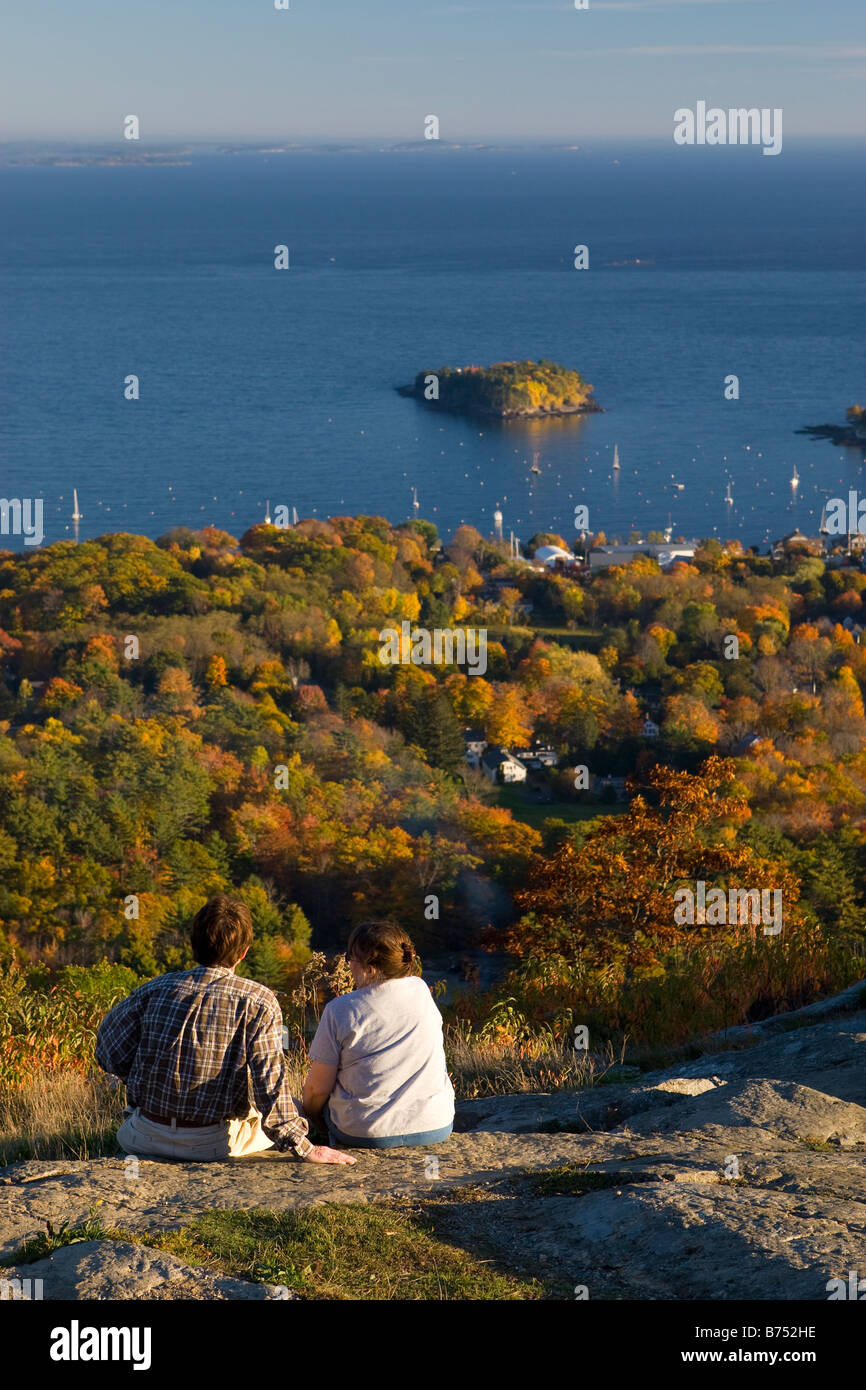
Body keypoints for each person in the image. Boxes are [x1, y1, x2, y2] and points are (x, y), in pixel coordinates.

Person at [95, 895, 355, 1166]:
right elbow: (270, 1088)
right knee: (297, 1107)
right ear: (243, 952)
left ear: (194, 943)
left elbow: (107, 1051)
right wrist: (304, 1147)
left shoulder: (155, 988)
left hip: (143, 1133)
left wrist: (144, 1075)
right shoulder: (258, 1001)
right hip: (211, 1143)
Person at [302, 921, 454, 1148]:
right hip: (436, 1125)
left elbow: (316, 1090)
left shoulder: (340, 1009)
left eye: (351, 958)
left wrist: (314, 1120)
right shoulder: (421, 990)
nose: (349, 964)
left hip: (365, 1132)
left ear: (370, 968)